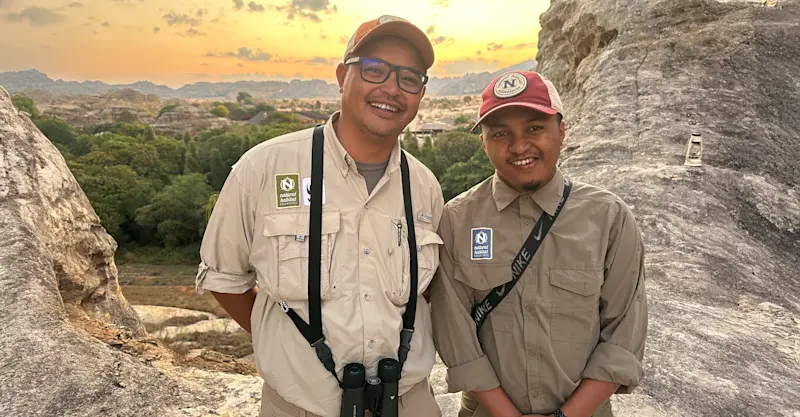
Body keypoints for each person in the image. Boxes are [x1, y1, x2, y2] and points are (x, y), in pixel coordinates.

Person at [195, 15, 445, 417]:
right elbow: (225, 280)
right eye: (375, 70)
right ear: (342, 76)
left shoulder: (424, 184)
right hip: (300, 407)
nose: (391, 89)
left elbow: (427, 291)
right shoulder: (263, 169)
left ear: (420, 93)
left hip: (407, 401)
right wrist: (294, 350)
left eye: (409, 78)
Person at [429, 71, 648, 417]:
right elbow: (455, 336)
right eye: (500, 133)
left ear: (561, 131)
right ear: (483, 142)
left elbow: (624, 333)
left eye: (534, 128)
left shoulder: (609, 218)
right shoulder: (458, 220)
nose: (518, 147)